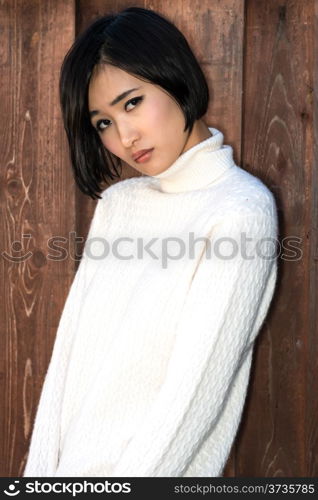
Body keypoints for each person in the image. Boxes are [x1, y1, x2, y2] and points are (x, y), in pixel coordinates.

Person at [23, 7, 278, 477]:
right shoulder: (119, 204)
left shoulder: (240, 210)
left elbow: (194, 395)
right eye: (102, 122)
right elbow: (68, 365)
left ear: (175, 77)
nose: (124, 136)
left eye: (132, 102)